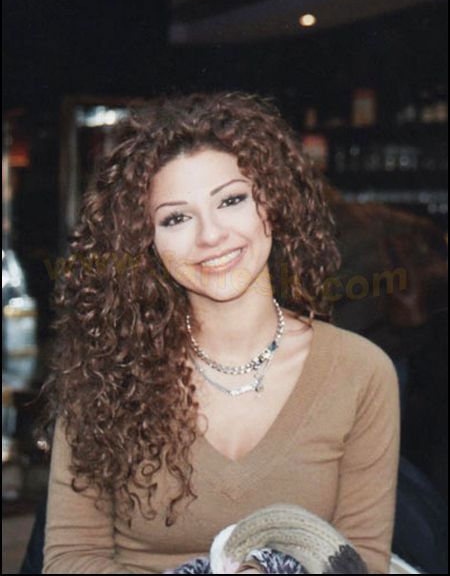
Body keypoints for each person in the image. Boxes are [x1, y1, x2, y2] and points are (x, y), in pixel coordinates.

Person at [36, 90, 401, 574]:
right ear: (146, 243)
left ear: (272, 203)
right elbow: (69, 560)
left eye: (231, 200)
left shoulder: (360, 372)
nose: (210, 236)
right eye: (176, 218)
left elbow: (364, 562)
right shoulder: (107, 373)